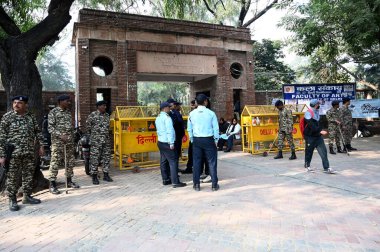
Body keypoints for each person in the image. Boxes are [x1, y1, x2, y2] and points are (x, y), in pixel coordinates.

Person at [0, 96, 44, 211]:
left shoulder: (30, 117)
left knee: (28, 175)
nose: (16, 105)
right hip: (13, 153)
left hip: (29, 151)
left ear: (25, 105)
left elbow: (37, 132)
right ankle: (12, 199)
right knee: (12, 177)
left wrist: (41, 146)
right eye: (14, 102)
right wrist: (2, 155)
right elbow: (2, 137)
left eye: (19, 103)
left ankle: (27, 196)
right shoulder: (7, 117)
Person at [48, 94, 79, 194]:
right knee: (55, 163)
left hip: (69, 142)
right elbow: (50, 128)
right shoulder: (53, 112)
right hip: (58, 142)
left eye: (69, 101)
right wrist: (60, 135)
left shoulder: (68, 112)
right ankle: (52, 184)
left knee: (70, 162)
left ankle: (69, 181)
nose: (69, 103)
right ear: (60, 101)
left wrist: (72, 135)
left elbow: (69, 127)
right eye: (67, 101)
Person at [187, 94, 220, 191]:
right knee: (212, 162)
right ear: (206, 101)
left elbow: (189, 129)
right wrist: (216, 140)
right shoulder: (211, 113)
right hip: (209, 139)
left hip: (197, 140)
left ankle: (196, 185)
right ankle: (214, 185)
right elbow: (216, 128)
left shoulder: (192, 114)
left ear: (196, 102)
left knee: (196, 162)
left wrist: (192, 139)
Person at [155, 102, 186, 188]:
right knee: (173, 161)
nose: (170, 109)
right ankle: (175, 182)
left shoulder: (158, 117)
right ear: (165, 108)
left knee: (163, 161)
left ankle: (165, 180)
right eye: (168, 107)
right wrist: (171, 143)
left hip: (160, 142)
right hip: (167, 142)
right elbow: (170, 131)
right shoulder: (167, 118)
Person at [303, 99, 334, 174]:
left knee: (323, 151)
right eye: (317, 104)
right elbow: (311, 125)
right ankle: (307, 166)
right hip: (310, 137)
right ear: (314, 105)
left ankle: (326, 168)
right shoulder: (308, 113)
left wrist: (320, 131)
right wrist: (320, 131)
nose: (319, 105)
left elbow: (318, 124)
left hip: (318, 137)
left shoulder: (317, 112)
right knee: (309, 151)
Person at [86, 100, 113, 185]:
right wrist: (94, 137)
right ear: (98, 107)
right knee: (95, 159)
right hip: (96, 142)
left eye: (105, 105)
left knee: (106, 158)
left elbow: (108, 128)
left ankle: (106, 174)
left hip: (106, 141)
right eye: (103, 106)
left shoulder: (107, 116)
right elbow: (88, 127)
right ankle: (94, 176)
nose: (105, 107)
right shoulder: (92, 115)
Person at [181, 100, 197, 174]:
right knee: (191, 153)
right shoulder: (192, 113)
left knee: (196, 154)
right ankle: (190, 167)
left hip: (196, 137)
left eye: (192, 105)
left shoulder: (194, 114)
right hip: (194, 137)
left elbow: (189, 127)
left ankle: (196, 169)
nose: (191, 106)